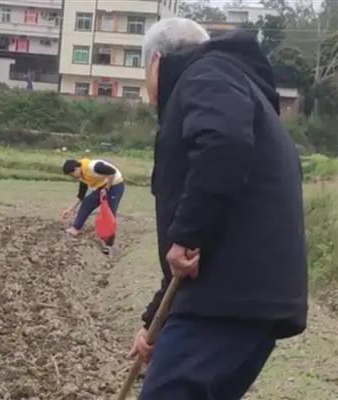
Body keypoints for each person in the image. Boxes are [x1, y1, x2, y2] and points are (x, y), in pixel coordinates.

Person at [127, 18, 308, 399]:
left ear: (156, 61)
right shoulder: (238, 87)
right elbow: (192, 250)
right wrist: (154, 322)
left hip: (222, 302)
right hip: (243, 301)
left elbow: (223, 144)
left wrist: (186, 234)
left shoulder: (206, 75)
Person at [60, 158, 125, 255]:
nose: (72, 177)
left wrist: (106, 189)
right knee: (87, 202)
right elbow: (81, 195)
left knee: (109, 214)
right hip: (103, 186)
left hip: (116, 185)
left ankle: (108, 244)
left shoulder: (94, 167)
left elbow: (112, 172)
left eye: (72, 174)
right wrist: (69, 209)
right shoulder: (82, 176)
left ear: (76, 168)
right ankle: (75, 228)